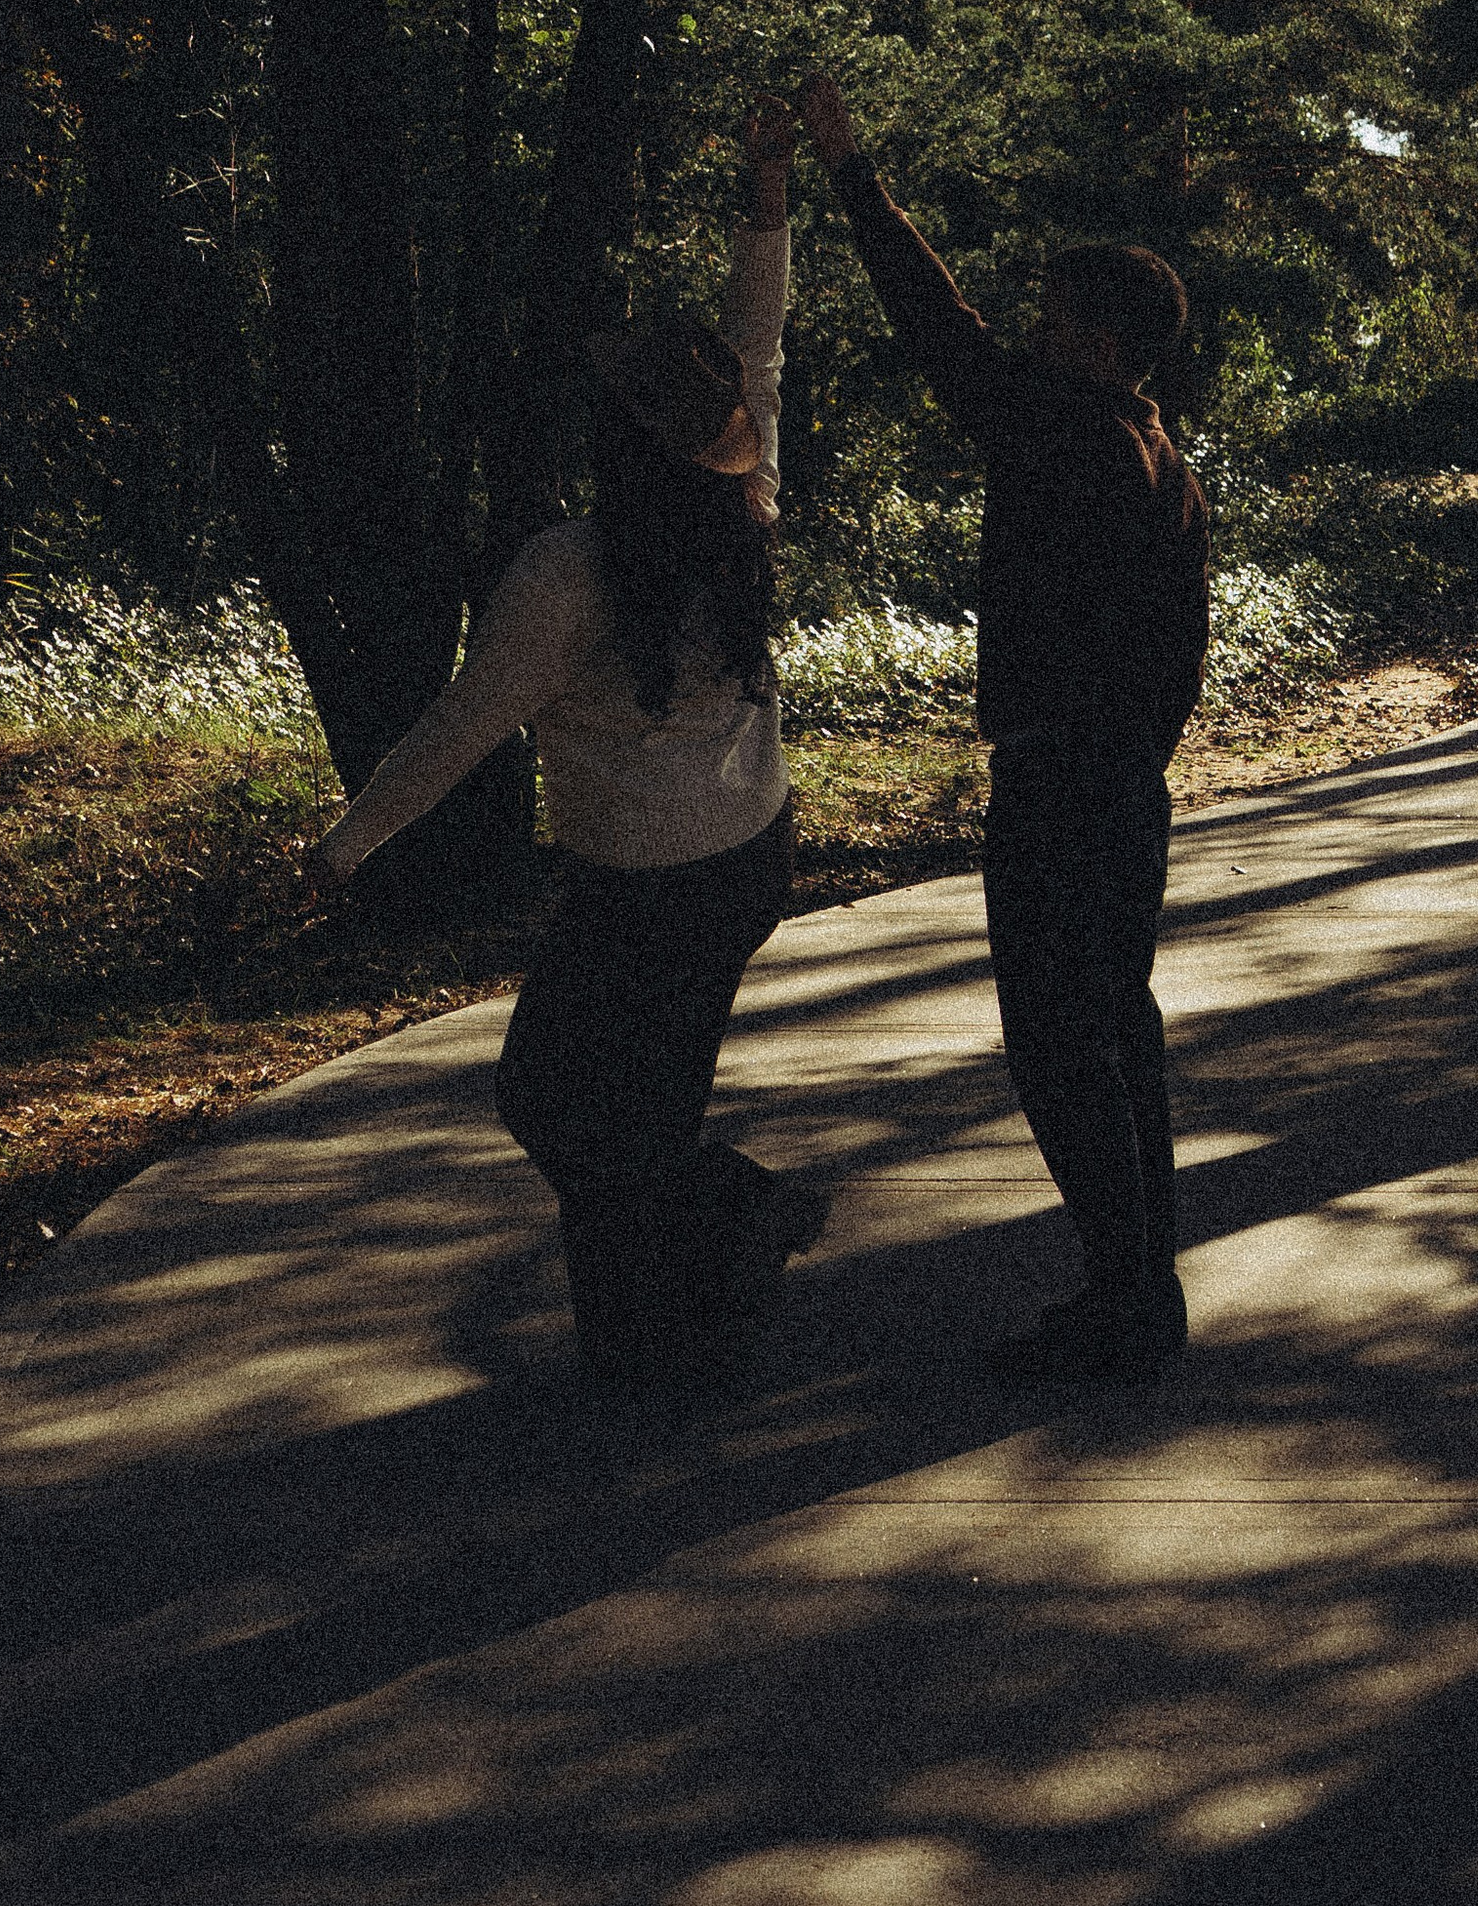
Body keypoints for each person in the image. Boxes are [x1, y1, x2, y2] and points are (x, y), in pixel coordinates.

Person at [306, 103, 824, 1396]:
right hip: (747, 858)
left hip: (644, 888)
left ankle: (727, 1238)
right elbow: (756, 352)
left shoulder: (567, 573)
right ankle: (654, 1341)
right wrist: (766, 203)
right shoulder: (739, 514)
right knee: (636, 1112)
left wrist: (346, 845)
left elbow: (464, 726)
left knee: (555, 1098)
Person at [799, 74, 1208, 1388]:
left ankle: (1121, 1302)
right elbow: (1181, 655)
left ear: (1094, 336)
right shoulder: (1157, 452)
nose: (1027, 331)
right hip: (1124, 789)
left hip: (1064, 789)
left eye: (1049, 315)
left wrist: (854, 178)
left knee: (1059, 1047)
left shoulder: (1066, 435)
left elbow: (940, 329)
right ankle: (1142, 1288)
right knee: (1117, 1031)